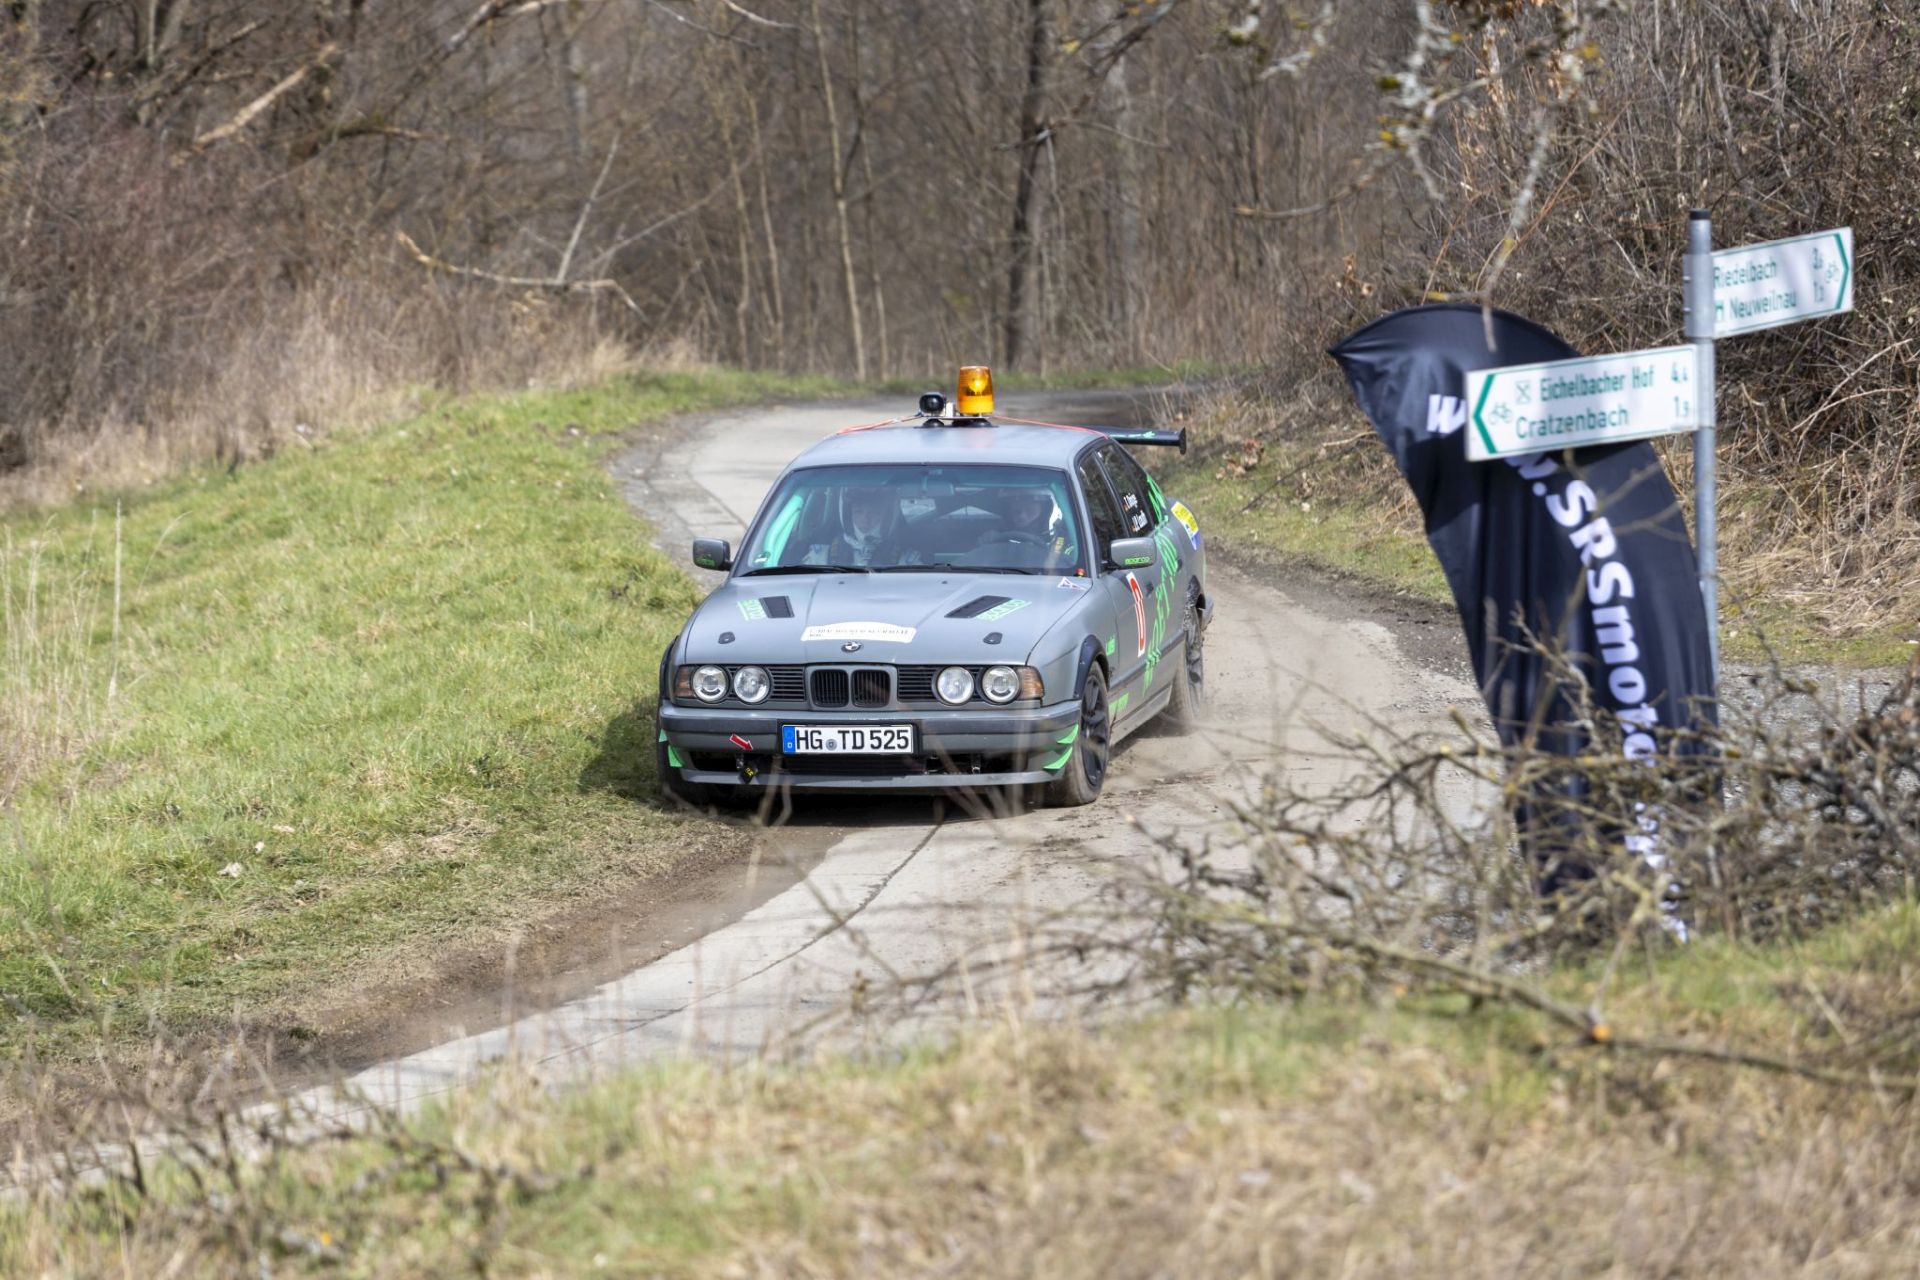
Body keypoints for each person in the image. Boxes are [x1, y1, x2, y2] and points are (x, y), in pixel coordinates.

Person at [804, 484, 915, 567]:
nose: (865, 519)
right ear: (848, 515)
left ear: (886, 516)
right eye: (858, 512)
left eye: (874, 513)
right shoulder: (820, 557)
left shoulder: (907, 560)